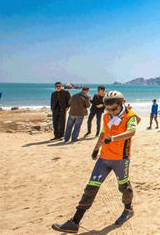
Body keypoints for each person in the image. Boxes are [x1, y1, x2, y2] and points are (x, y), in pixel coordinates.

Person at [52, 91, 137, 233]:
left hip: (121, 159)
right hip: (104, 158)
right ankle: (75, 222)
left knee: (124, 187)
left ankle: (128, 209)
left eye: (114, 109)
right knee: (91, 188)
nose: (111, 112)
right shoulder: (106, 116)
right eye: (107, 109)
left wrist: (114, 138)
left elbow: (131, 132)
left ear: (122, 104)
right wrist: (96, 148)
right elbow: (104, 133)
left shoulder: (130, 116)